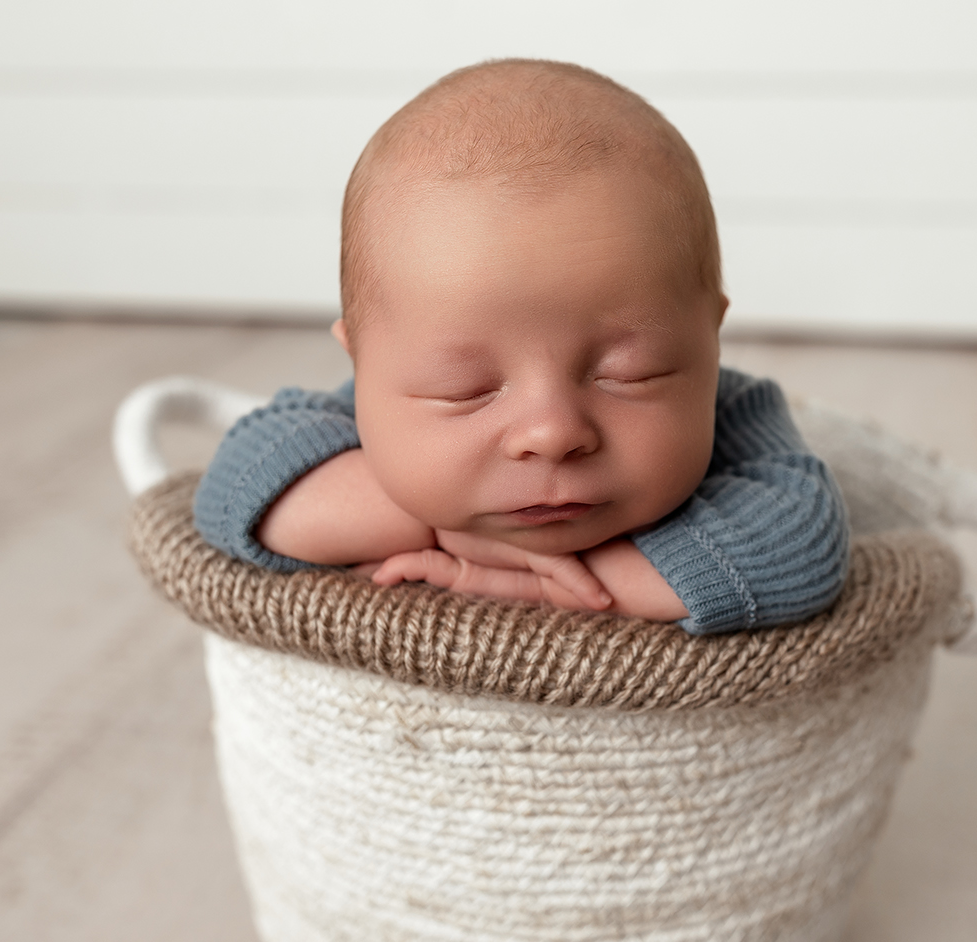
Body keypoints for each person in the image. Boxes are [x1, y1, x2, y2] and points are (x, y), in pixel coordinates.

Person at [194, 58, 848, 635]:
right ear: (363, 366)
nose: (552, 433)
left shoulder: (735, 413)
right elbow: (233, 490)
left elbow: (807, 546)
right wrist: (439, 526)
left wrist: (559, 582)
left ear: (709, 339)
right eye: (465, 389)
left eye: (631, 373)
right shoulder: (362, 419)